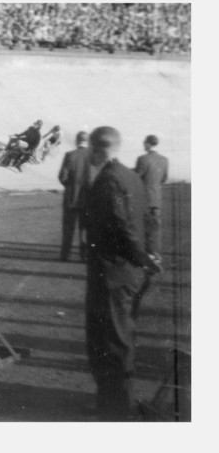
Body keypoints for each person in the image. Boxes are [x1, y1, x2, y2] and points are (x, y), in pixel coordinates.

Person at [82, 126, 161, 421]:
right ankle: (111, 404)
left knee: (111, 343)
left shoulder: (109, 180)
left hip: (113, 274)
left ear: (96, 148)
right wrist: (150, 254)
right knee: (117, 339)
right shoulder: (130, 176)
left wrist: (142, 258)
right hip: (124, 273)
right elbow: (148, 219)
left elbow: (120, 226)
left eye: (90, 148)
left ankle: (116, 412)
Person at [57, 130, 91, 262]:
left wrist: (70, 186)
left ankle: (65, 255)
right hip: (87, 199)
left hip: (71, 198)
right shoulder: (92, 156)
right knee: (85, 229)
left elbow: (62, 176)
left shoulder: (70, 155)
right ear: (87, 142)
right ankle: (84, 255)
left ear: (77, 141)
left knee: (68, 228)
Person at [134, 135, 169, 257]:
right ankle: (155, 254)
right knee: (156, 229)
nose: (144, 145)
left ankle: (147, 254)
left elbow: (136, 177)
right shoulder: (164, 160)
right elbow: (164, 178)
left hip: (144, 199)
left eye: (145, 143)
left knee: (143, 227)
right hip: (156, 199)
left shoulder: (142, 159)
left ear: (148, 144)